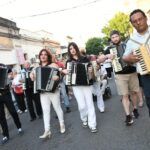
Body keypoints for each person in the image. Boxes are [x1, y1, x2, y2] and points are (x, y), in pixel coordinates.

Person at [98, 30, 140, 126]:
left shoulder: (127, 45)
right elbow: (99, 60)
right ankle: (128, 116)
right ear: (111, 39)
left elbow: (136, 54)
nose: (115, 39)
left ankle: (135, 108)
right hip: (119, 74)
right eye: (113, 37)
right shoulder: (108, 49)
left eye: (116, 36)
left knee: (133, 92)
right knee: (124, 95)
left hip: (132, 72)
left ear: (119, 36)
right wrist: (107, 56)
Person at [30, 49, 65, 139]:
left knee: (57, 108)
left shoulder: (53, 65)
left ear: (48, 56)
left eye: (45, 54)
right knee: (45, 111)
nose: (43, 56)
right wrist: (31, 75)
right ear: (39, 56)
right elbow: (33, 77)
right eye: (41, 54)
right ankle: (47, 130)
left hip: (53, 90)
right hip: (43, 92)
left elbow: (59, 76)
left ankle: (61, 124)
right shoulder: (36, 67)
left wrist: (57, 77)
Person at [64, 42, 97, 133]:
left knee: (90, 104)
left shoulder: (85, 58)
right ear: (69, 51)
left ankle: (92, 124)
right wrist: (65, 72)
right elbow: (68, 77)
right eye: (70, 48)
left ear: (77, 48)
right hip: (76, 86)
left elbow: (91, 74)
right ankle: (84, 118)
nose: (72, 50)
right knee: (82, 106)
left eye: (74, 47)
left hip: (87, 84)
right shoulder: (68, 62)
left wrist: (90, 71)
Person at [123, 9, 150, 116]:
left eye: (140, 19)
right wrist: (128, 59)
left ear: (146, 18)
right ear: (132, 24)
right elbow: (124, 57)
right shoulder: (131, 41)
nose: (138, 22)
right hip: (146, 77)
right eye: (135, 21)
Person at [0, 64, 23, 145]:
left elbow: (11, 73)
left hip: (6, 93)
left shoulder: (3, 66)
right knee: (1, 116)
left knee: (13, 111)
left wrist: (9, 77)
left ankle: (19, 127)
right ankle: (6, 135)